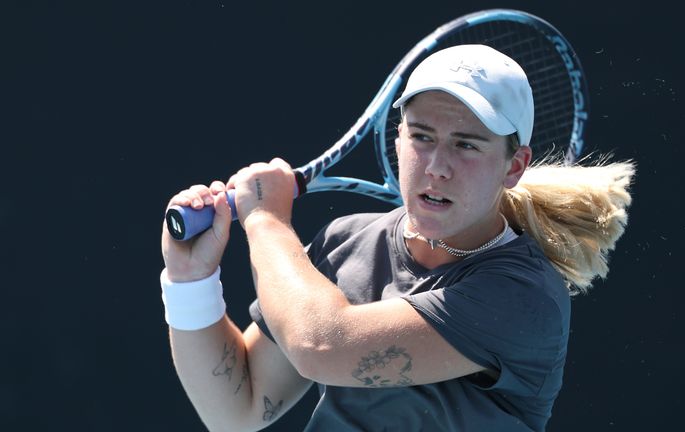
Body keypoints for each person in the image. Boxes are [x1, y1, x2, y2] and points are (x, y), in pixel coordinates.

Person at [160, 44, 635, 431]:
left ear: (514, 166)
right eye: (422, 136)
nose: (437, 167)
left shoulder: (522, 297)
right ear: (397, 140)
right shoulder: (346, 241)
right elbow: (235, 412)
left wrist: (265, 220)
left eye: (466, 144)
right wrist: (190, 280)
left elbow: (322, 346)